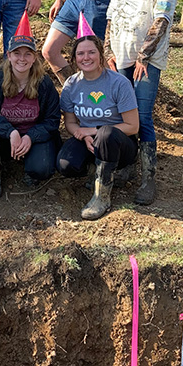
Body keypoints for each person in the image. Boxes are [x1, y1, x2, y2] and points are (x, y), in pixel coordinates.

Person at [105, 0, 180, 205]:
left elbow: (162, 18)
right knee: (122, 116)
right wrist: (108, 52)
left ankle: (148, 177)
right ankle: (125, 166)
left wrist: (144, 56)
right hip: (120, 55)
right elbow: (112, 14)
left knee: (143, 116)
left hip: (147, 59)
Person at [0, 12, 61, 198]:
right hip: (3, 137)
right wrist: (10, 132)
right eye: (17, 53)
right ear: (8, 55)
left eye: (28, 54)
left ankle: (30, 168)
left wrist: (31, 137)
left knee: (42, 168)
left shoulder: (44, 83)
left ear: (34, 57)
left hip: (34, 136)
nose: (22, 58)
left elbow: (52, 120)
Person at [57, 13, 139, 220]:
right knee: (65, 165)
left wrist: (93, 131)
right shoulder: (71, 85)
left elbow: (132, 126)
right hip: (88, 139)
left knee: (106, 134)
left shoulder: (119, 83)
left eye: (91, 52)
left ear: (100, 55)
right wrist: (82, 135)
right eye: (81, 54)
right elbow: (70, 122)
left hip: (120, 142)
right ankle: (99, 168)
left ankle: (102, 195)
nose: (86, 58)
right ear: (74, 58)